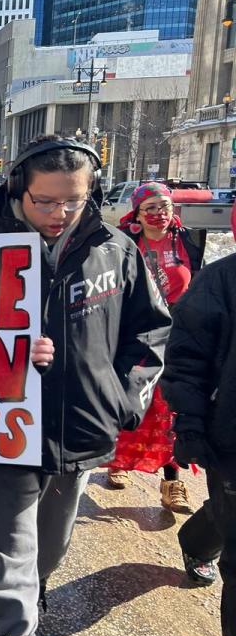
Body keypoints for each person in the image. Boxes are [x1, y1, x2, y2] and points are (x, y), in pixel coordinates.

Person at [0, 136, 172, 636]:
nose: (59, 214)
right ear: (17, 192)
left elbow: (150, 333)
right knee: (10, 557)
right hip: (1, 434)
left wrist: (124, 400)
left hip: (82, 431)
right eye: (45, 201)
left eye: (72, 201)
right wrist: (3, 353)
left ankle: (27, 615)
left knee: (47, 550)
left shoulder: (117, 250)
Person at [162, 204, 236, 636]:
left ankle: (200, 535)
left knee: (228, 515)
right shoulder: (220, 282)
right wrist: (188, 422)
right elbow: (188, 359)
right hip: (230, 434)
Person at [107, 182, 205, 512]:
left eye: (164, 206)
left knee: (171, 405)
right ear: (137, 212)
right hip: (137, 331)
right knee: (135, 397)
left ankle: (172, 480)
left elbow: (200, 282)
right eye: (150, 208)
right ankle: (118, 460)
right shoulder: (125, 243)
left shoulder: (189, 239)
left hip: (179, 333)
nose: (158, 215)